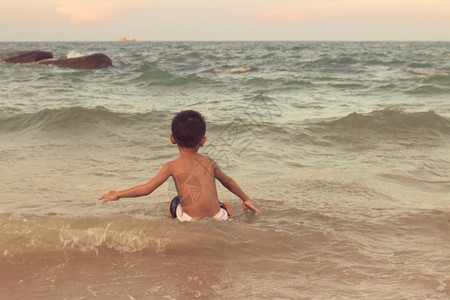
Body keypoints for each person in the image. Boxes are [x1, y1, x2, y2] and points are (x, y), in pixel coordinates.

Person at [98, 110, 261, 221]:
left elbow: (147, 189)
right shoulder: (209, 162)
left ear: (172, 139)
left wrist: (118, 194)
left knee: (175, 202)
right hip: (218, 218)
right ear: (203, 141)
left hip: (190, 221)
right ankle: (226, 212)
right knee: (222, 205)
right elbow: (228, 181)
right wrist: (245, 199)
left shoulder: (172, 166)